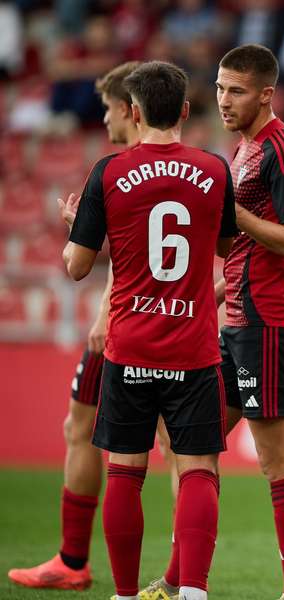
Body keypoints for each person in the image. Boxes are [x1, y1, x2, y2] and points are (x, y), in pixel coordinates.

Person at [143, 43, 284, 600]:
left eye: (236, 90)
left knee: (278, 462)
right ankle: (179, 579)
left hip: (268, 323)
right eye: (219, 88)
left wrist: (229, 210)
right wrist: (208, 296)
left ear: (266, 94)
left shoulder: (282, 152)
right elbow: (244, 251)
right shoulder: (242, 151)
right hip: (238, 318)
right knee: (188, 442)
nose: (223, 99)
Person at [59, 60, 238, 600]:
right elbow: (228, 248)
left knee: (125, 471)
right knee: (198, 468)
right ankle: (195, 592)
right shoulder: (214, 170)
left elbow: (76, 266)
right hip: (193, 347)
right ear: (184, 110)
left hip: (130, 343)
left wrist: (79, 229)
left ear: (132, 112)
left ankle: (125, 594)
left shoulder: (108, 172)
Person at [7, 60, 175, 592]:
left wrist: (102, 306)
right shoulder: (146, 167)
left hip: (129, 324)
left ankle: (174, 574)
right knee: (82, 428)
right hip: (146, 319)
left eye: (108, 107)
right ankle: (75, 559)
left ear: (132, 109)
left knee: (169, 449)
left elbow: (116, 264)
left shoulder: (125, 169)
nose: (103, 119)